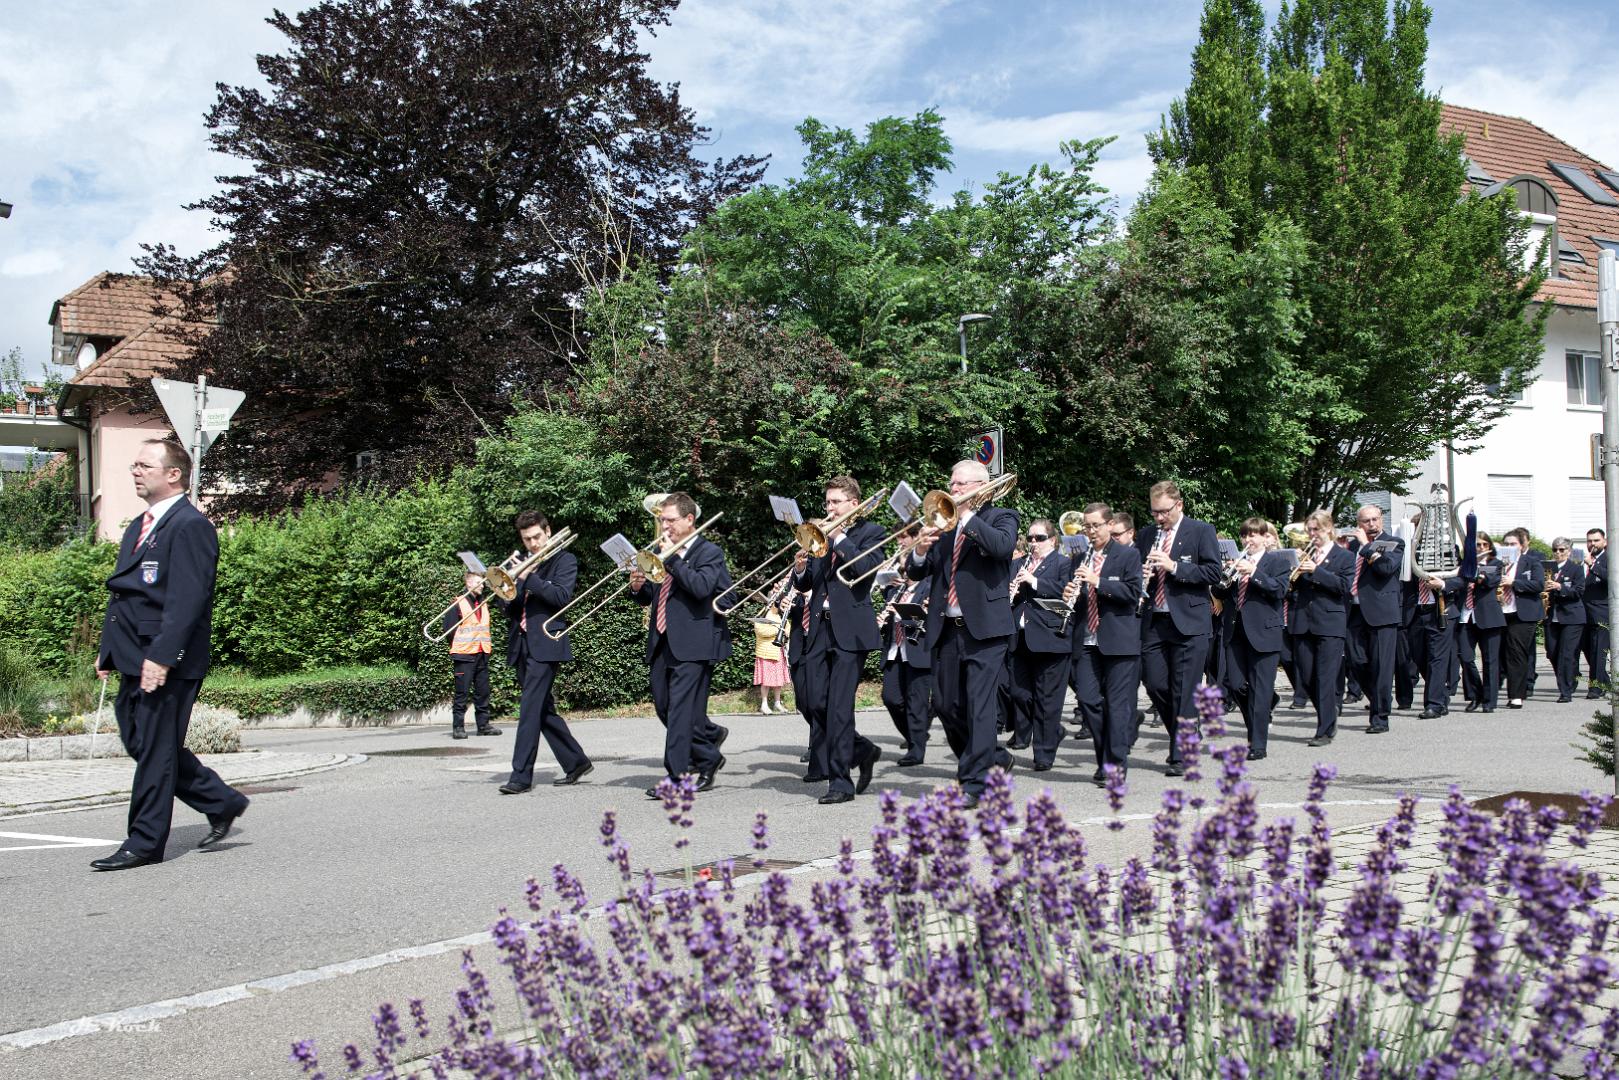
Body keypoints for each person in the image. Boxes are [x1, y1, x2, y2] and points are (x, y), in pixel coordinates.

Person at [92, 438, 249, 871]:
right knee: (139, 742)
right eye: (134, 465)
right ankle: (220, 800)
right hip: (130, 653)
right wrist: (108, 650)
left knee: (157, 750)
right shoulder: (138, 526)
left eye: (144, 464)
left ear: (173, 474)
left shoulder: (190, 526)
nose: (135, 471)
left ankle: (144, 842)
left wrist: (162, 656)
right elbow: (126, 595)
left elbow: (187, 599)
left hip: (167, 660)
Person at [907, 459, 1018, 808]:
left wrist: (966, 517)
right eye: (951, 484)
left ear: (979, 487)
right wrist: (921, 549)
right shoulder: (945, 523)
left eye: (959, 485)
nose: (952, 490)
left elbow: (1001, 548)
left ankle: (974, 782)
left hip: (986, 629)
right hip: (947, 628)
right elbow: (918, 572)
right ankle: (991, 758)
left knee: (980, 706)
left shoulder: (1002, 516)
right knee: (945, 704)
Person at [790, 476, 886, 805]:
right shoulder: (820, 539)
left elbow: (866, 569)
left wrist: (840, 537)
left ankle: (840, 782)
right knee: (815, 703)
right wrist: (801, 569)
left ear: (853, 504)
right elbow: (810, 583)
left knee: (840, 708)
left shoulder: (870, 533)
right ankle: (862, 749)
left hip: (850, 630)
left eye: (835, 502)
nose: (829, 508)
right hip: (819, 627)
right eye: (827, 502)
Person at [630, 493, 731, 796]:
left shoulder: (708, 552)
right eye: (662, 519)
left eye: (670, 520)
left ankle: (676, 779)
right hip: (662, 640)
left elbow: (701, 588)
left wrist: (672, 557)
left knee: (679, 713)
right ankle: (708, 755)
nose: (664, 525)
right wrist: (638, 587)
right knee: (664, 707)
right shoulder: (661, 553)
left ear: (689, 520)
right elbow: (653, 594)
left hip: (694, 642)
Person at [499, 511, 591, 793]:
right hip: (522, 643)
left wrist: (530, 577)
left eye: (537, 536)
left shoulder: (565, 560)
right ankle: (575, 761)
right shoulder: (524, 561)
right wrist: (508, 589)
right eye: (527, 539)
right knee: (542, 710)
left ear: (548, 531)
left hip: (547, 641)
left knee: (528, 709)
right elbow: (509, 610)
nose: (533, 544)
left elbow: (561, 597)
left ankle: (520, 776)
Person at [1136, 481, 1222, 776]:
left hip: (1190, 622)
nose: (1159, 518)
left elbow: (1213, 571)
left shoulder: (1201, 531)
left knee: (1184, 690)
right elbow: (1134, 570)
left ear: (1179, 505)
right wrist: (1141, 576)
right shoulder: (1147, 535)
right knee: (1155, 683)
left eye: (1164, 512)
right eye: (1154, 512)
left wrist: (1174, 567)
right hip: (1155, 620)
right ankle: (1188, 730)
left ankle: (1181, 755)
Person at [1064, 503, 1142, 782]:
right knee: (1087, 700)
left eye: (1096, 526)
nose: (1091, 531)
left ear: (1110, 525)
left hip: (1119, 640)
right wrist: (1069, 595)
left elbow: (1133, 593)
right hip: (1086, 640)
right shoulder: (1079, 557)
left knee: (1117, 706)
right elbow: (1077, 601)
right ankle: (1105, 756)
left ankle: (1114, 765)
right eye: (1087, 526)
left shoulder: (1128, 555)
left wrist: (1098, 581)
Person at [1214, 518, 1290, 761]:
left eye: (1254, 536)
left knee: (1260, 688)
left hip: (1265, 632)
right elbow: (1219, 593)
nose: (1249, 540)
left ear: (1265, 538)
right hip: (1236, 632)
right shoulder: (1237, 563)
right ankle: (1260, 716)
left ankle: (1257, 744)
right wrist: (1226, 575)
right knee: (1235, 684)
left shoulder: (1277, 561)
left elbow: (1279, 590)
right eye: (1245, 536)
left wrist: (1254, 572)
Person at [1289, 509, 1356, 747]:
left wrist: (1316, 571)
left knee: (1325, 677)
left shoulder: (1345, 557)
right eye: (1309, 530)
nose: (1312, 534)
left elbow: (1343, 587)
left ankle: (1325, 729)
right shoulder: (1303, 555)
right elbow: (1289, 587)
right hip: (1302, 621)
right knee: (1306, 679)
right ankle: (1328, 713)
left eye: (1316, 530)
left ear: (1329, 528)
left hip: (1329, 623)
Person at [1008, 519, 1072, 761]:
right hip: (1019, 638)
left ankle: (1044, 755)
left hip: (1050, 638)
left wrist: (1033, 582)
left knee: (1047, 699)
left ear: (1053, 540)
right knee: (1019, 693)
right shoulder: (1017, 564)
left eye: (1040, 538)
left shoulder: (1064, 563)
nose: (1033, 543)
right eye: (1031, 538)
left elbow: (1066, 590)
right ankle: (1053, 729)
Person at [1345, 505, 1404, 734]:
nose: (1371, 524)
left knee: (1381, 666)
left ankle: (1380, 717)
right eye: (1366, 521)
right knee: (1355, 660)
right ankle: (1380, 699)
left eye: (1375, 519)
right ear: (1359, 523)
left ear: (1381, 520)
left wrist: (1366, 547)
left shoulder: (1394, 543)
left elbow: (1386, 568)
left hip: (1382, 612)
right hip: (1355, 611)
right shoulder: (1350, 546)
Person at [878, 571, 932, 766]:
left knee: (916, 704)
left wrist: (902, 613)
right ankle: (914, 736)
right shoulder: (895, 591)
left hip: (919, 651)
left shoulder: (929, 586)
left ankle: (916, 751)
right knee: (890, 698)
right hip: (895, 651)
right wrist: (882, 621)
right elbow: (889, 622)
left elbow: (931, 619)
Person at [1452, 533, 1505, 713]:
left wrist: (1477, 569)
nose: (1480, 548)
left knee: (1490, 660)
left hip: (1488, 617)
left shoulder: (1495, 564)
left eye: (1484, 545)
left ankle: (1490, 700)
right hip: (1466, 616)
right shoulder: (1463, 565)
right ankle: (1475, 694)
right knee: (1465, 657)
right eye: (1477, 545)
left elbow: (1490, 582)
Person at [443, 570, 496, 740]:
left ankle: (483, 725)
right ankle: (458, 727)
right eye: (479, 582)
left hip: (481, 652)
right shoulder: (458, 603)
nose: (482, 585)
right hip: (464, 654)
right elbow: (448, 629)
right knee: (462, 693)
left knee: (483, 692)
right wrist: (460, 647)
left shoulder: (483, 602)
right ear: (469, 584)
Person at [1498, 527, 1543, 709]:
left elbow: (1539, 584)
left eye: (1513, 544)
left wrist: (1514, 582)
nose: (1509, 547)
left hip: (1523, 614)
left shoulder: (1531, 562)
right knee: (1502, 652)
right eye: (1506, 544)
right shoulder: (1498, 563)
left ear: (1522, 546)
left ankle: (1516, 695)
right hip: (1501, 611)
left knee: (1516, 652)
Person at [1543, 536, 1586, 703]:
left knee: (1566, 654)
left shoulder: (1575, 569)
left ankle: (1565, 691)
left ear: (1569, 551)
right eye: (1555, 550)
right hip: (1551, 617)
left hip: (1572, 617)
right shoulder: (1547, 568)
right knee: (1552, 652)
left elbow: (1578, 591)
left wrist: (1560, 587)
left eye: (1562, 550)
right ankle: (1573, 674)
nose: (1558, 553)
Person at [752, 595, 789, 714]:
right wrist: (778, 630)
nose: (782, 607)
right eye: (781, 604)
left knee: (779, 681)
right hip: (766, 652)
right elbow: (760, 630)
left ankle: (777, 703)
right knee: (766, 681)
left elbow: (788, 628)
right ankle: (764, 704)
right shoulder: (764, 615)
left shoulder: (780, 616)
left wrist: (785, 632)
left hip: (778, 652)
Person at [1583, 528, 1609, 698]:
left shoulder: (1610, 558)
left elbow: (1612, 578)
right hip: (1582, 613)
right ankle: (1605, 681)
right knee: (1588, 650)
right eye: (1590, 541)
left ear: (1604, 542)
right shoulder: (1582, 559)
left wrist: (1592, 565)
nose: (1592, 544)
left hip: (1601, 612)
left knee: (1598, 651)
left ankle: (1596, 687)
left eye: (1596, 540)